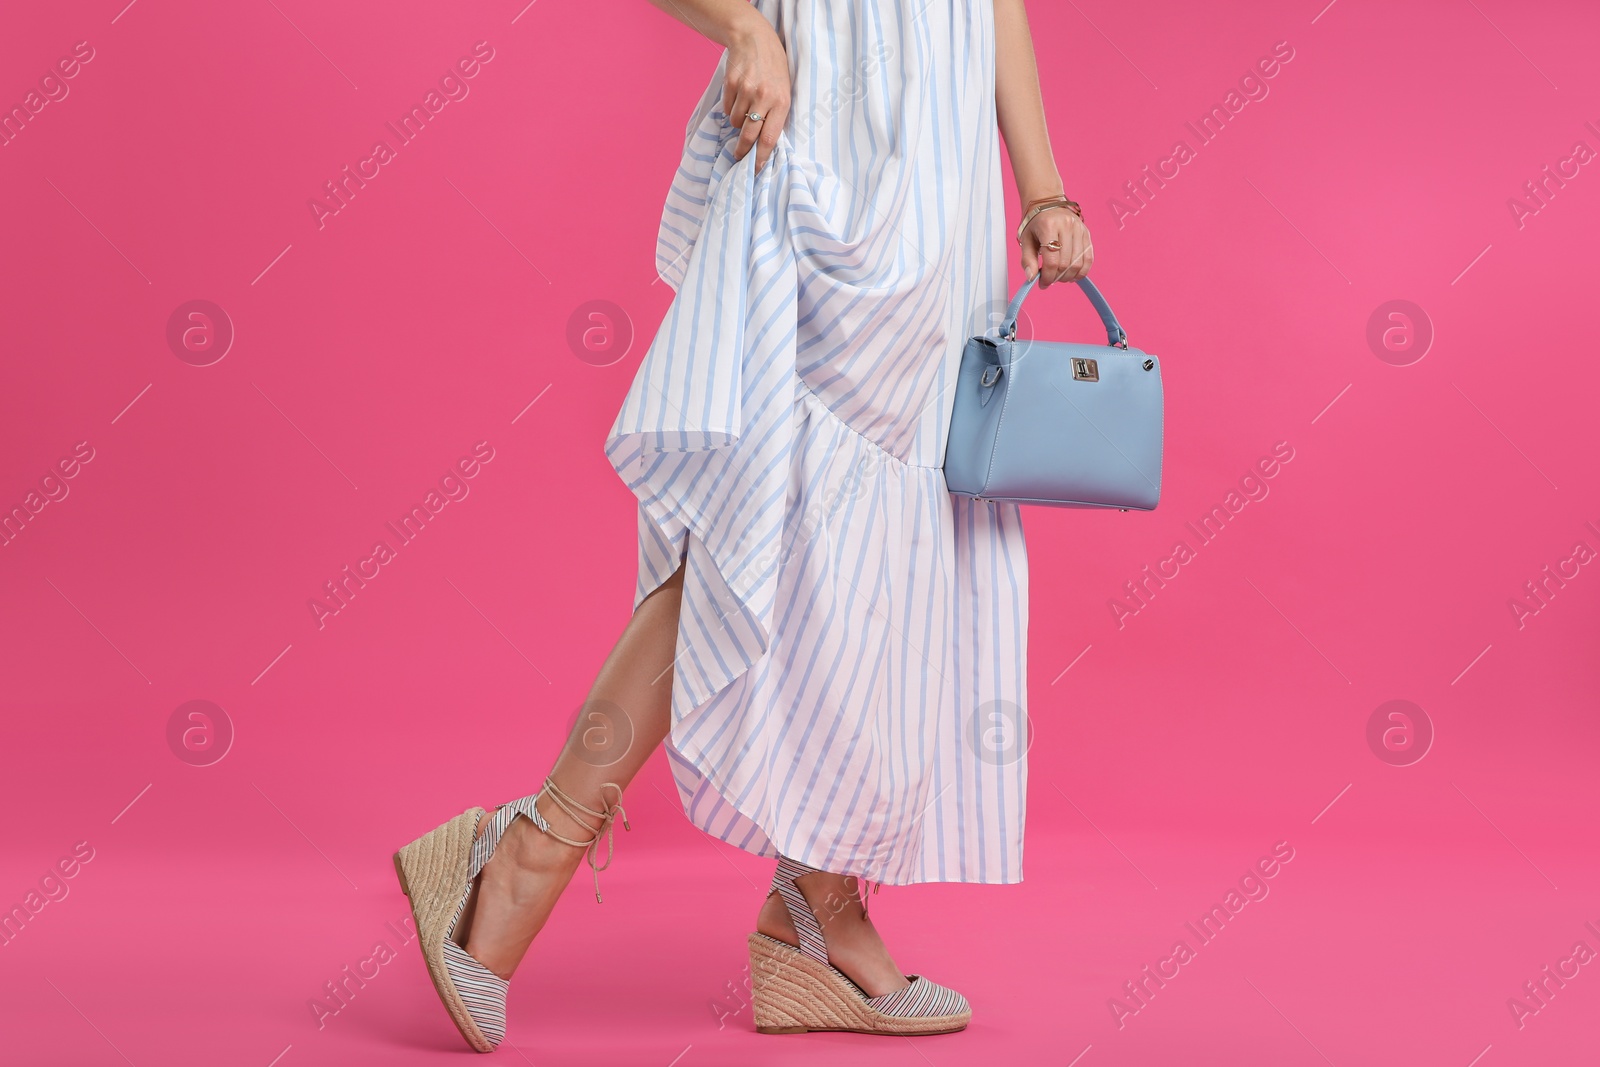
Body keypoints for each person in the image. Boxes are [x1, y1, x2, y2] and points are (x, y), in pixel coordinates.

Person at [392, 0, 1093, 1050]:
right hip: (818, 145)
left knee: (884, 549)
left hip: (941, 185)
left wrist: (1040, 185)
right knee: (761, 517)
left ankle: (818, 910)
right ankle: (525, 849)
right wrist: (745, 30)